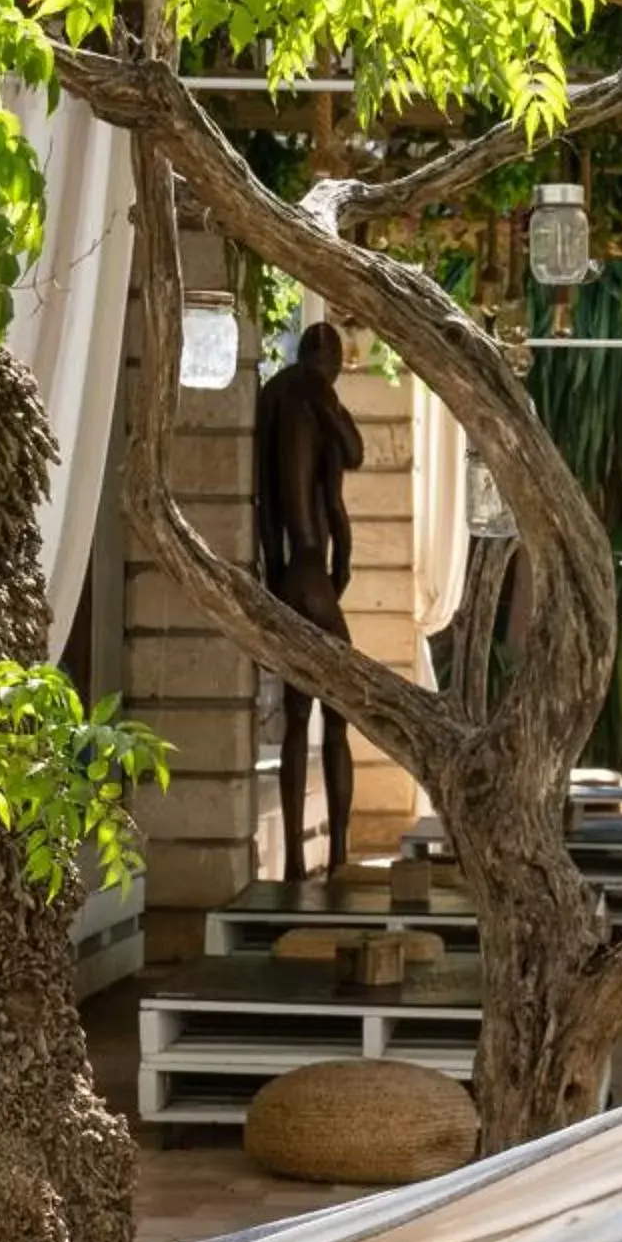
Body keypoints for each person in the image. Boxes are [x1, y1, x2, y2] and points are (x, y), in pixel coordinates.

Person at [254, 321, 366, 879]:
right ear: (327, 358)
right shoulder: (314, 392)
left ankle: (296, 860)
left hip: (284, 575)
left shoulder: (272, 396)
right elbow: (355, 453)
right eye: (340, 360)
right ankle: (341, 853)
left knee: (300, 714)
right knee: (341, 711)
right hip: (310, 572)